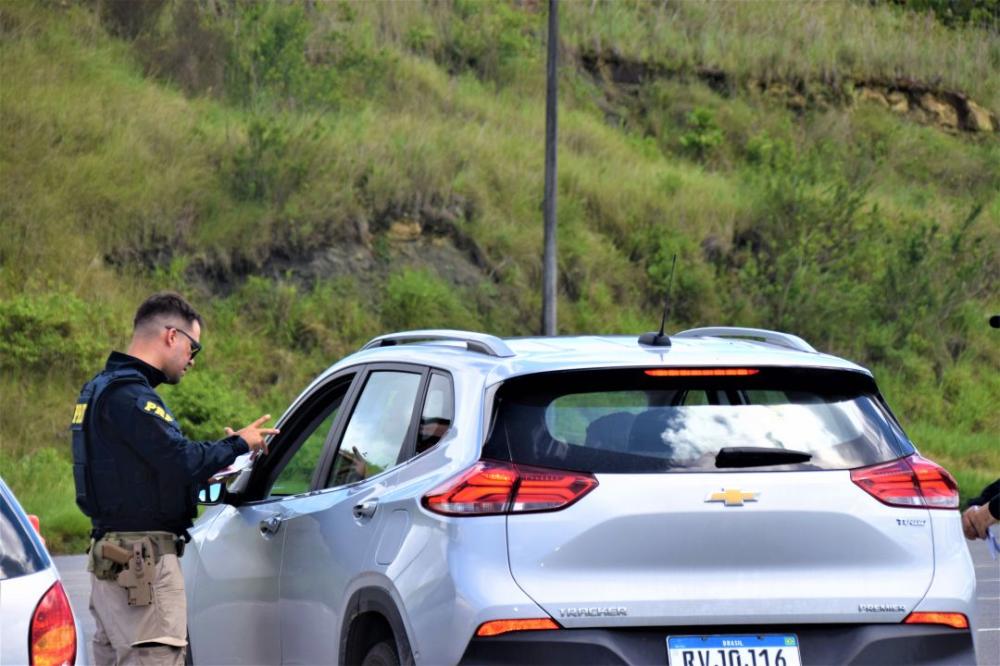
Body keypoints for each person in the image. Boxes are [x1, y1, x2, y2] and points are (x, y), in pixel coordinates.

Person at [71, 292, 279, 665]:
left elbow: (150, 475)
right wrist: (237, 443)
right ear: (171, 336)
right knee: (155, 656)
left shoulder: (99, 390)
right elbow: (179, 460)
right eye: (192, 348)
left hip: (111, 557)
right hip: (142, 564)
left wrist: (223, 467)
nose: (191, 361)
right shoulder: (132, 397)